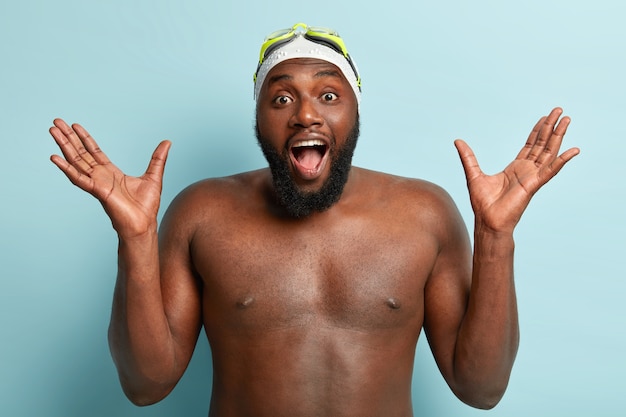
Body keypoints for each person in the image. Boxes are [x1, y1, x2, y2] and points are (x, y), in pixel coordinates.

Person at [49, 23, 579, 417]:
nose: (305, 114)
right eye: (281, 98)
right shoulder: (201, 212)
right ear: (258, 118)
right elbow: (146, 385)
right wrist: (136, 237)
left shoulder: (425, 214)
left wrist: (496, 236)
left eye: (329, 94)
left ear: (354, 112)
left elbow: (481, 388)